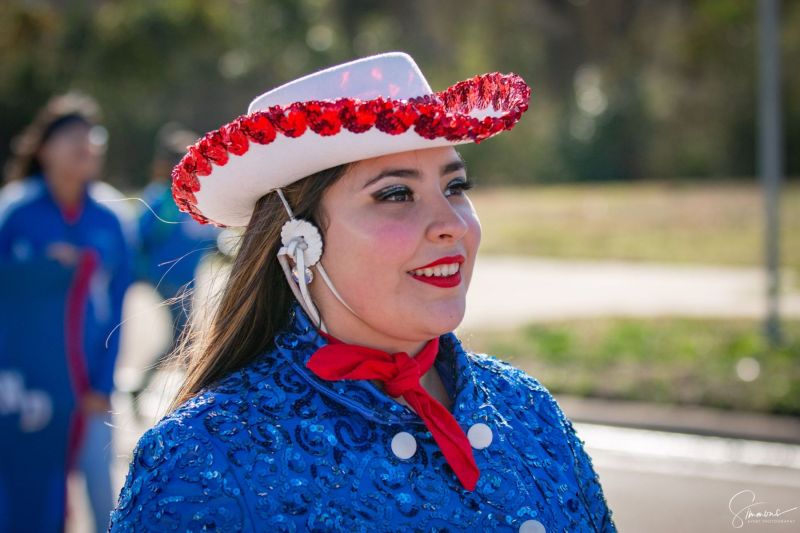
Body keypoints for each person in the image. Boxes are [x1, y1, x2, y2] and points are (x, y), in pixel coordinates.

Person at [109, 52, 616, 532]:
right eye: (396, 194)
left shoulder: (527, 408)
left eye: (456, 187)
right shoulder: (201, 456)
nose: (450, 225)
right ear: (299, 241)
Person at [0, 92, 134, 532]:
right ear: (43, 148)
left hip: (89, 385)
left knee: (103, 492)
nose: (85, 144)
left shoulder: (111, 218)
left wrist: (103, 380)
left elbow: (117, 308)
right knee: (27, 491)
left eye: (92, 136)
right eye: (71, 135)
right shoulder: (15, 212)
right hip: (26, 385)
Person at [130, 122, 220, 415]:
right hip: (167, 281)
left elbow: (210, 240)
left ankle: (166, 394)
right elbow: (139, 238)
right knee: (186, 340)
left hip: (188, 282)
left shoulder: (200, 200)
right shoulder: (162, 198)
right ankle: (187, 402)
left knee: (187, 341)